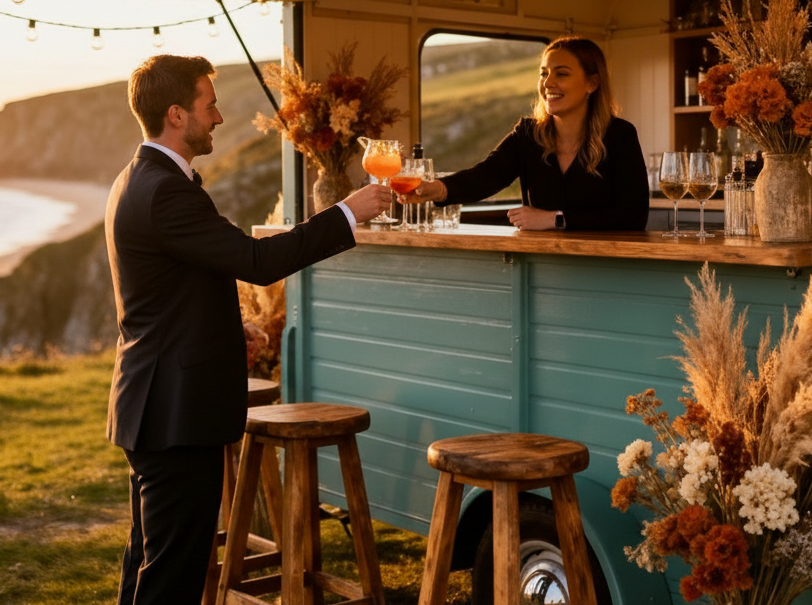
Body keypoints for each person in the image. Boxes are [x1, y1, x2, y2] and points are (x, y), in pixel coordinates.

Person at [105, 54, 392, 605]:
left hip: (154, 403)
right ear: (175, 115)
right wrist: (348, 212)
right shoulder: (166, 190)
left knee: (148, 560)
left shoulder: (137, 179)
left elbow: (165, 290)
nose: (218, 117)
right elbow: (255, 261)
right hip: (173, 413)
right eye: (208, 106)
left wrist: (226, 327)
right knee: (173, 575)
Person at [406, 36, 649, 231]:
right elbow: (487, 176)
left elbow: (633, 217)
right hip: (541, 266)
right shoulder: (528, 134)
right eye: (544, 73)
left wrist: (555, 219)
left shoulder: (620, 135)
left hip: (605, 268)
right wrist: (436, 189)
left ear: (592, 83)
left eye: (561, 73)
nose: (548, 82)